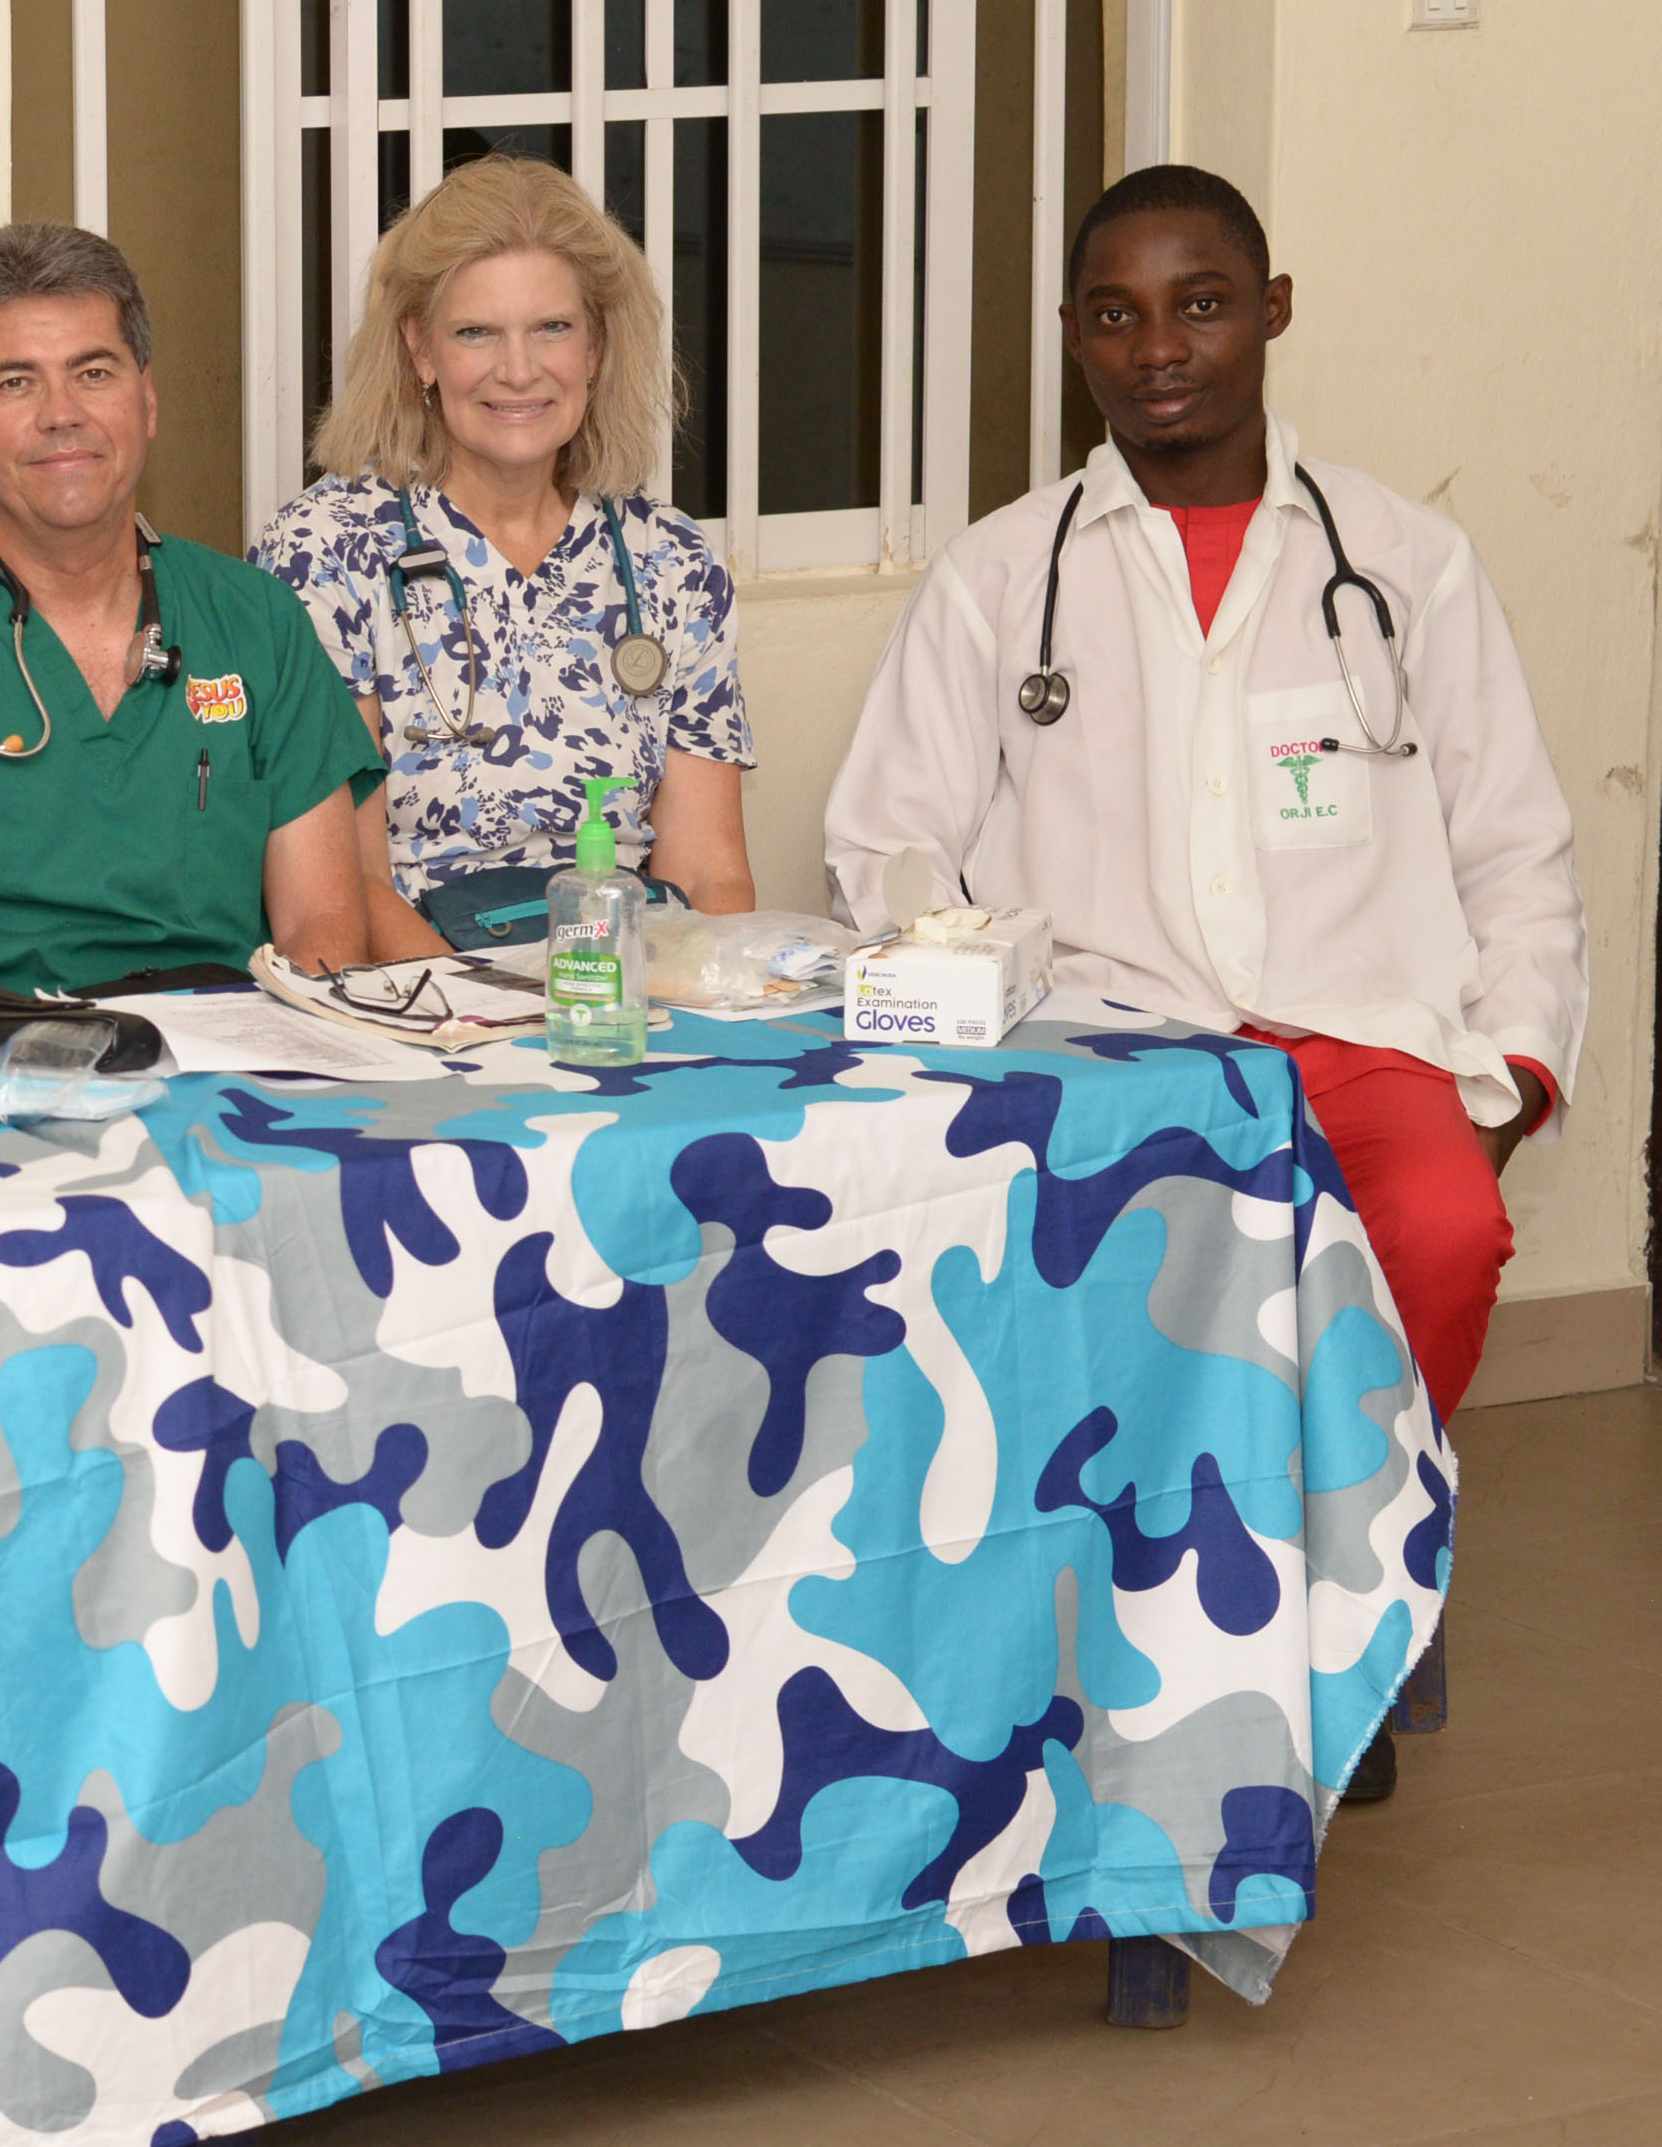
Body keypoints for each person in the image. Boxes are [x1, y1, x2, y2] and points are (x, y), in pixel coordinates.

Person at [822, 163, 1584, 1789]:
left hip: (1357, 1041)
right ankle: (1188, 1622)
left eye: (1200, 302)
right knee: (1090, 1318)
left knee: (1441, 1235)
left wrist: (1508, 1069)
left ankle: (1356, 1579)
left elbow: (1514, 838)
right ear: (1074, 340)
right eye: (1117, 311)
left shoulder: (1402, 559)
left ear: (1271, 313)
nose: (1160, 344)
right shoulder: (999, 575)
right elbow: (881, 842)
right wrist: (963, 986)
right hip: (1114, 1054)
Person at [0, 222, 389, 1012]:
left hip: (235, 1063)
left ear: (146, 400)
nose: (61, 413)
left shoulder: (257, 620)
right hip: (1, 1065)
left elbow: (324, 925)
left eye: (94, 372)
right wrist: (67, 1066)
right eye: (15, 382)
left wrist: (279, 1070)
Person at [250, 154, 754, 953]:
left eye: (552, 328)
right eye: (475, 332)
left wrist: (694, 1014)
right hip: (427, 987)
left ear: (595, 348)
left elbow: (711, 874)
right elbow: (348, 883)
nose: (518, 371)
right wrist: (490, 1024)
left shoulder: (674, 563)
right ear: (420, 351)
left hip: (635, 988)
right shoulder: (326, 552)